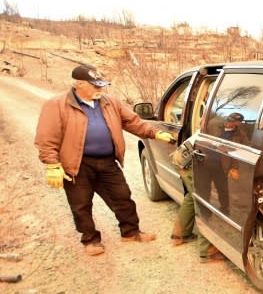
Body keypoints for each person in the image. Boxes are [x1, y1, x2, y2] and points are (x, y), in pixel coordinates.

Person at [34, 64, 174, 256]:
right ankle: (90, 240)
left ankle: (131, 232)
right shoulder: (56, 105)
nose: (100, 89)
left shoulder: (110, 102)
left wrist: (155, 133)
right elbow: (46, 137)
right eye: (96, 86)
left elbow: (132, 122)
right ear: (79, 84)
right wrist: (52, 164)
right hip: (77, 164)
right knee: (81, 204)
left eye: (101, 85)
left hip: (107, 161)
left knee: (122, 197)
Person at [169, 132, 225, 262]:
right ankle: (207, 251)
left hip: (181, 157)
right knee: (203, 201)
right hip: (189, 161)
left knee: (191, 196)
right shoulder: (223, 126)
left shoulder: (219, 119)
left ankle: (180, 235)